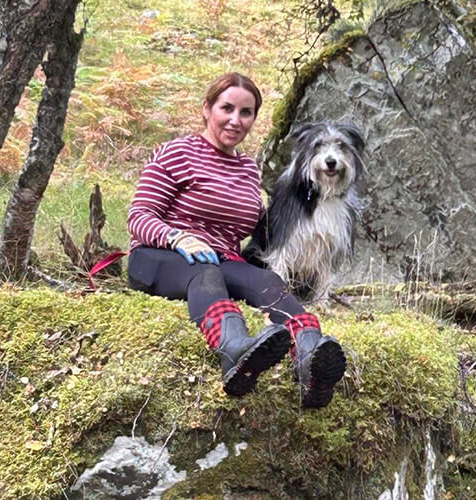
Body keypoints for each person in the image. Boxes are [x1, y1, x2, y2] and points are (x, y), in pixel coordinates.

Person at [126, 72, 346, 408]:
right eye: (226, 108)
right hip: (158, 256)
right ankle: (234, 350)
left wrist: (309, 211)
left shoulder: (247, 169)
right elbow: (139, 216)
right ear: (207, 109)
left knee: (266, 281)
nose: (235, 120)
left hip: (221, 258)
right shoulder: (176, 153)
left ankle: (310, 358)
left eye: (246, 112)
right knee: (205, 273)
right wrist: (177, 238)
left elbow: (263, 224)